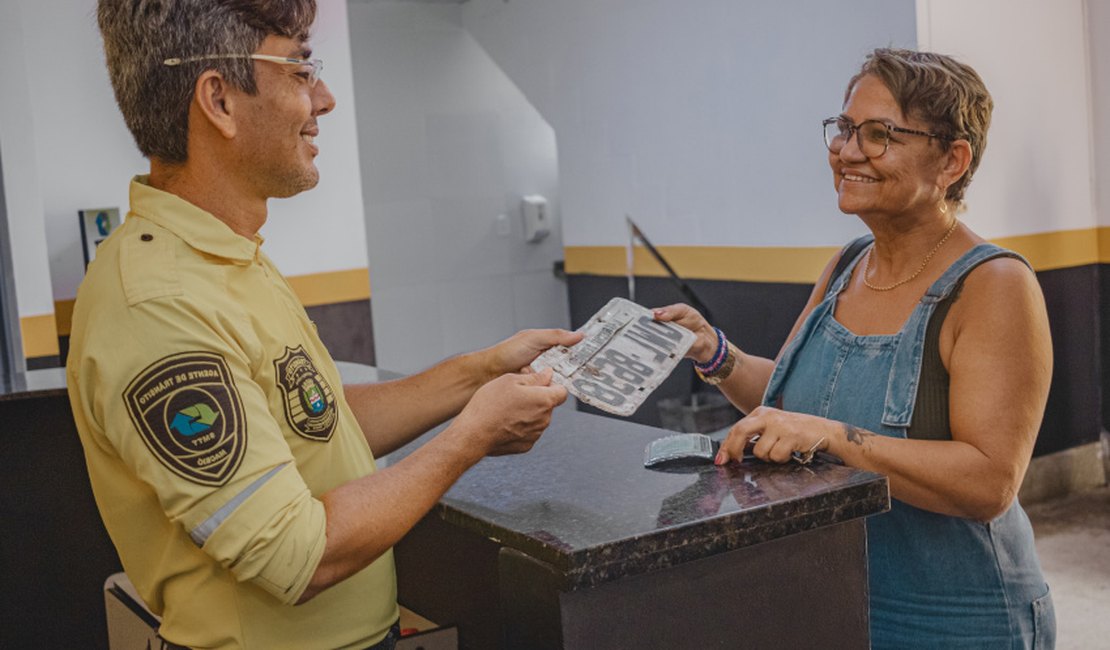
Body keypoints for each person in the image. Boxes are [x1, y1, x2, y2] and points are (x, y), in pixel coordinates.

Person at [67, 1, 581, 648]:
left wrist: (480, 373)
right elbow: (296, 555)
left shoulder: (228, 255)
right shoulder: (156, 305)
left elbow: (321, 423)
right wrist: (470, 439)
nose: (327, 98)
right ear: (219, 101)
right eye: (300, 69)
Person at [654, 48, 1055, 648]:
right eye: (843, 130)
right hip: (838, 595)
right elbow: (789, 403)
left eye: (879, 134)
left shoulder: (993, 285)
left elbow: (988, 483)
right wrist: (714, 352)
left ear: (952, 159)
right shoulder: (846, 266)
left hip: (955, 620)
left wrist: (836, 438)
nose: (846, 151)